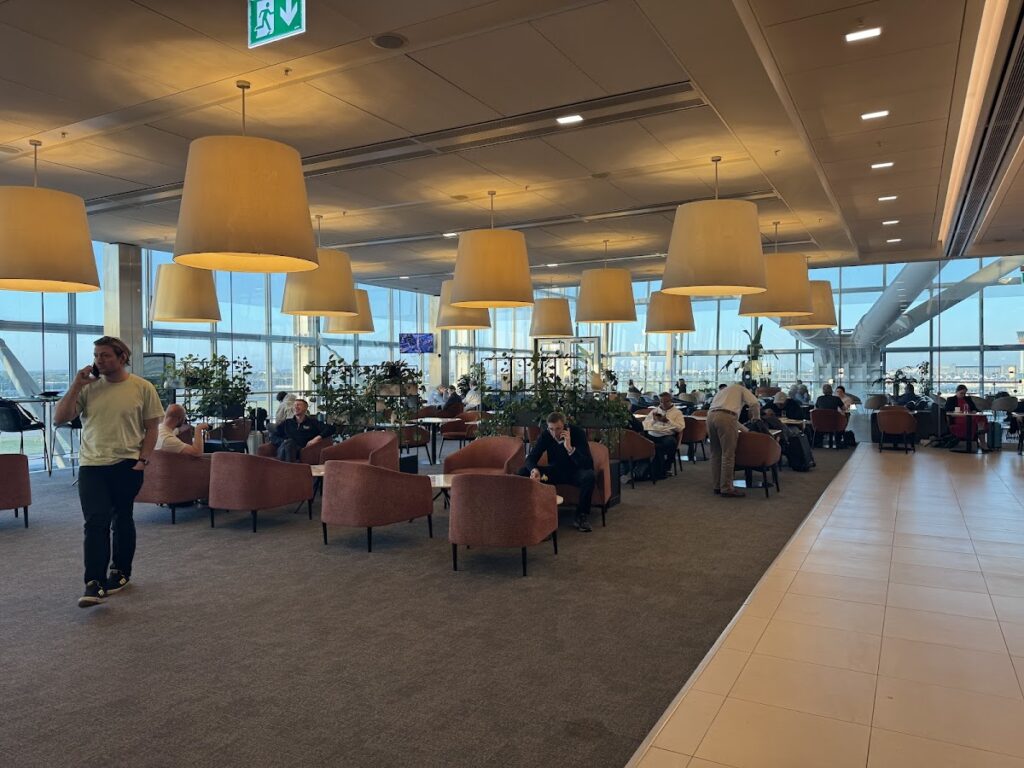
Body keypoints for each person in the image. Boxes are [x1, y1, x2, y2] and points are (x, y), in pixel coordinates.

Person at [53, 336, 164, 608]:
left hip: (127, 463)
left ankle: (121, 571)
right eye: (97, 355)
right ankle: (94, 582)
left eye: (105, 355)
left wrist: (144, 459)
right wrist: (76, 384)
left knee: (122, 517)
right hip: (92, 464)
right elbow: (59, 417)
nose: (99, 360)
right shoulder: (89, 388)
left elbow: (152, 428)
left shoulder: (142, 387)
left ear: (122, 357)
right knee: (95, 521)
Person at [519, 411, 596, 532]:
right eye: (551, 429)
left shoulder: (577, 433)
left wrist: (570, 448)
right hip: (554, 472)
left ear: (564, 426)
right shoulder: (546, 435)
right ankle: (526, 512)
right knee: (523, 471)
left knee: (590, 476)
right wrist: (534, 470)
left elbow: (587, 464)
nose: (555, 433)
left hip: (575, 472)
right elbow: (531, 458)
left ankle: (581, 516)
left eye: (558, 428)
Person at [707, 382, 761, 498]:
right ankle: (726, 488)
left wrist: (746, 430)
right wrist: (756, 419)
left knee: (716, 453)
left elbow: (730, 419)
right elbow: (755, 403)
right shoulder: (741, 388)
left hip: (710, 416)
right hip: (726, 417)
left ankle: (717, 486)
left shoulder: (723, 391)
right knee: (728, 454)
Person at [642, 392, 686, 479]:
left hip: (666, 435)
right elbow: (645, 425)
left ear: (671, 401)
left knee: (670, 443)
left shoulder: (677, 413)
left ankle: (664, 467)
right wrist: (654, 420)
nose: (663, 404)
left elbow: (680, 428)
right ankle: (653, 468)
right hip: (653, 434)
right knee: (641, 441)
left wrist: (668, 421)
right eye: (661, 401)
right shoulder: (655, 411)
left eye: (666, 402)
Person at [944, 384, 990, 450]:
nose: (963, 395)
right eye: (961, 393)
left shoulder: (968, 399)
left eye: (964, 393)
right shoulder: (951, 399)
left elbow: (975, 408)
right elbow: (947, 411)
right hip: (958, 418)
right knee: (979, 421)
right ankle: (982, 440)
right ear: (957, 392)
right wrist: (955, 412)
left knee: (981, 417)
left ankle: (982, 441)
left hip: (970, 416)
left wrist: (974, 410)